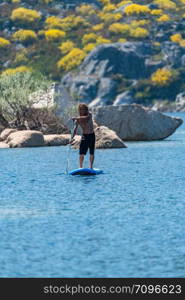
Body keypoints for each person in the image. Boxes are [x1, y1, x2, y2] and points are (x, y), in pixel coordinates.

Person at [70, 103, 95, 169]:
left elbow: (86, 118)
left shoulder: (89, 114)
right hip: (84, 136)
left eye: (83, 109)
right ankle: (80, 167)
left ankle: (91, 167)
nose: (82, 110)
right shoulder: (78, 119)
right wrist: (71, 138)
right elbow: (75, 129)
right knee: (81, 153)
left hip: (91, 135)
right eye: (80, 109)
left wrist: (76, 118)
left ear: (86, 109)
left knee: (91, 152)